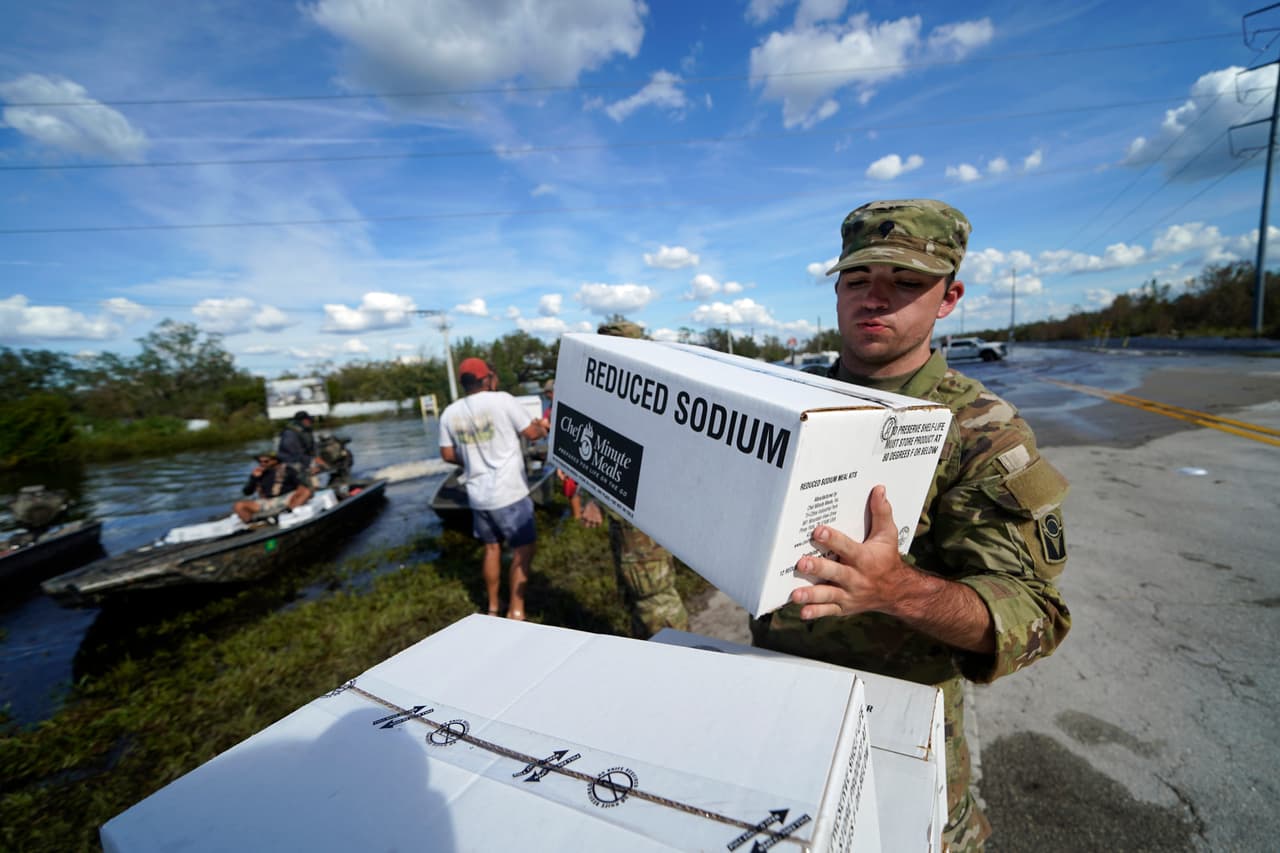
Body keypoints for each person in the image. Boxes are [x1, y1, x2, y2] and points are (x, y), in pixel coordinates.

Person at [749, 199, 1070, 851]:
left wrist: (896, 589)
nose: (876, 299)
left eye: (905, 283)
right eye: (859, 281)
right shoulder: (786, 403)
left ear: (948, 298)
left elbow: (1036, 613)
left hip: (900, 736)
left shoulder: (983, 430)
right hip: (779, 711)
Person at [580, 320, 691, 639]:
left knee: (654, 598)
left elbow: (638, 457)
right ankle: (650, 656)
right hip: (628, 515)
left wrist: (597, 500)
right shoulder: (621, 393)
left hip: (641, 515)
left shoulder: (643, 395)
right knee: (637, 595)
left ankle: (679, 662)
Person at [439, 357, 549, 620]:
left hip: (478, 496)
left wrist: (470, 458)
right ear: (486, 379)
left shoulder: (450, 413)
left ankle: (492, 607)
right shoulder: (502, 400)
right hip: (509, 492)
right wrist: (543, 427)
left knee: (491, 548)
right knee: (524, 548)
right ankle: (516, 609)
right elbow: (531, 434)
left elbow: (446, 453)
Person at [542, 378, 582, 521]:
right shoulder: (551, 408)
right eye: (547, 394)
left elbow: (566, 429)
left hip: (569, 450)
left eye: (549, 393)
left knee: (572, 484)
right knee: (568, 484)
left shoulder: (566, 405)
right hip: (560, 450)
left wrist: (547, 426)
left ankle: (578, 517)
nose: (547, 396)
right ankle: (576, 515)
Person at [233, 451, 312, 523]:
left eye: (266, 461)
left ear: (275, 460)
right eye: (260, 462)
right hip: (266, 501)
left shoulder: (288, 470)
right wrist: (253, 478)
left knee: (305, 491)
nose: (262, 464)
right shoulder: (258, 473)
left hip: (286, 499)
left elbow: (301, 486)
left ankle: (287, 513)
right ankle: (252, 524)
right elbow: (247, 492)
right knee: (239, 505)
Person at [278, 410, 322, 487]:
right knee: (308, 472)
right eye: (306, 420)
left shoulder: (306, 431)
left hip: (304, 459)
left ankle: (315, 486)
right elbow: (294, 452)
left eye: (308, 419)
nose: (309, 422)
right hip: (291, 462)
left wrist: (317, 457)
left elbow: (313, 446)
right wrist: (311, 462)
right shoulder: (289, 433)